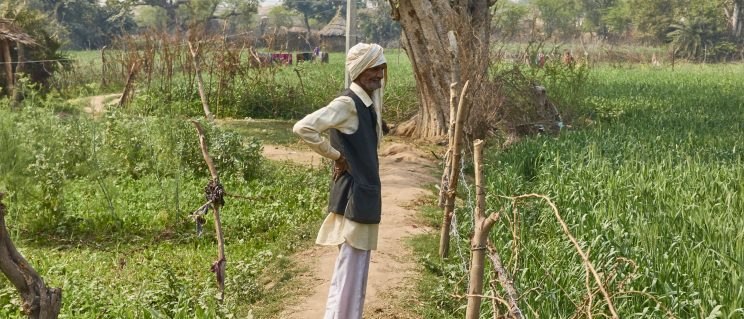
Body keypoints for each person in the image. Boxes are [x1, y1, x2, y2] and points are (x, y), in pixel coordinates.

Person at [293, 42, 387, 319]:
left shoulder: (365, 104)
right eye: (374, 69)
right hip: (355, 196)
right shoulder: (348, 104)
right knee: (349, 274)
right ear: (359, 70)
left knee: (354, 273)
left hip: (363, 196)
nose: (379, 75)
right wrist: (335, 156)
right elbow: (304, 127)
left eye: (381, 69)